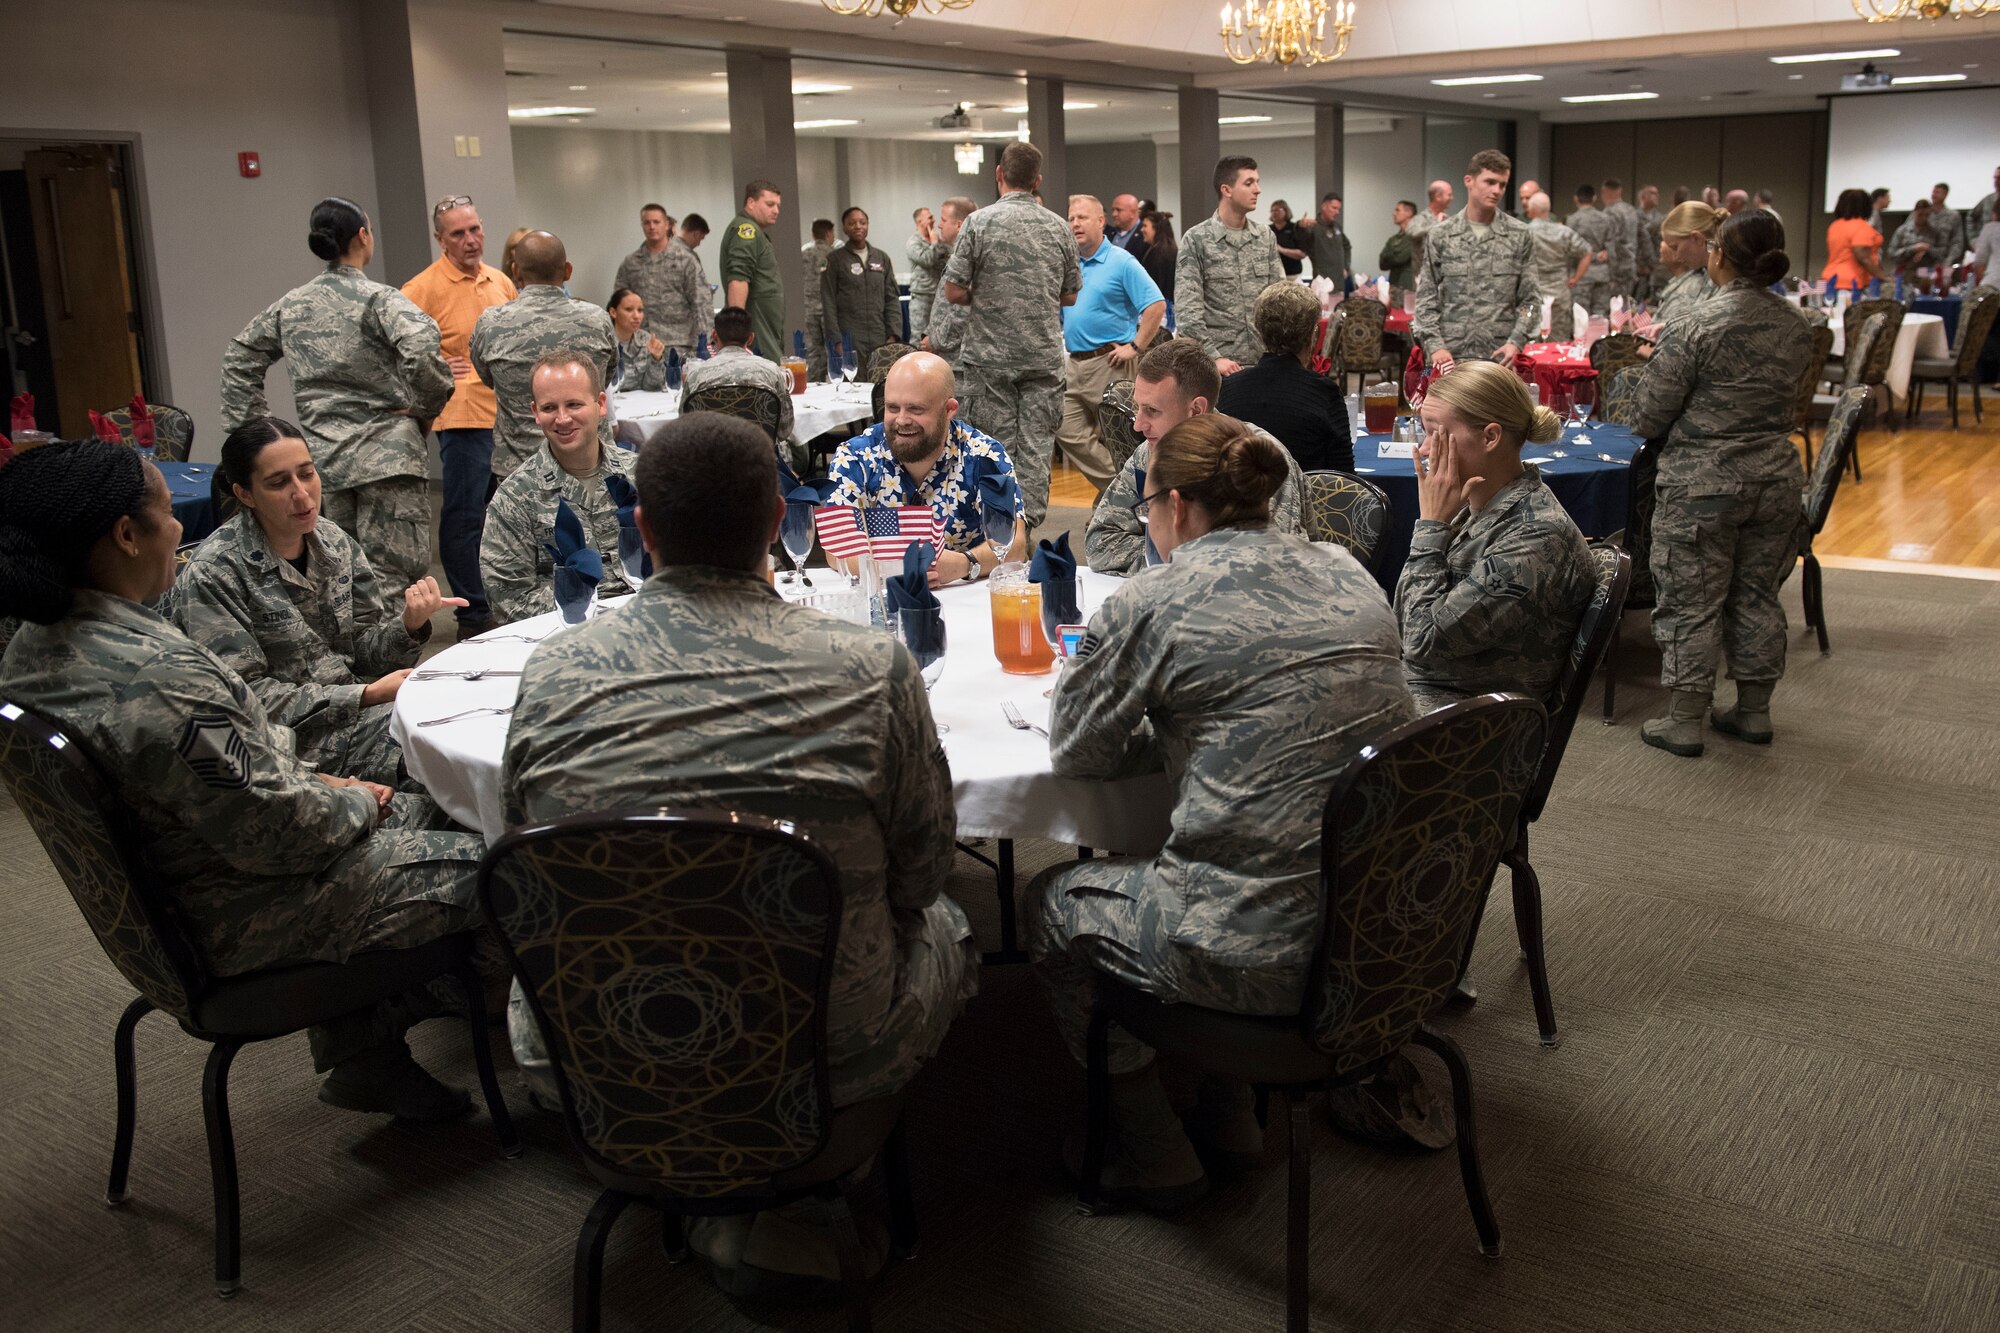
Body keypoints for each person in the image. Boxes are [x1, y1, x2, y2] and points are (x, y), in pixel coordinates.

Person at [501, 411, 977, 1292]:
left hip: (603, 1043)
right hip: (828, 1051)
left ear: (639, 530)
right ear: (775, 525)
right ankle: (804, 1197)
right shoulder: (869, 666)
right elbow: (923, 870)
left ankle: (717, 1193)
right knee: (951, 923)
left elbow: (529, 860)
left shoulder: (553, 671)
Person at [0, 441, 490, 1120]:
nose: (178, 531)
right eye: (169, 513)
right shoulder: (159, 680)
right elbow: (283, 834)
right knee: (507, 857)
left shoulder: (29, 648)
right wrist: (349, 802)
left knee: (431, 806)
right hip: (249, 912)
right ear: (125, 533)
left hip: (168, 910)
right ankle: (559, 1063)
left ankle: (368, 1048)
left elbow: (228, 784)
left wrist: (323, 784)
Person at [1028, 413, 1413, 1211]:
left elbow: (1078, 754)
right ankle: (1230, 1107)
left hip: (1256, 952)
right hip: (1381, 930)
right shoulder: (1346, 568)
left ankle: (1153, 1149)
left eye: (1146, 511)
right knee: (1246, 840)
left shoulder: (1154, 599)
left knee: (1053, 906)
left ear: (1174, 507)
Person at [173, 416, 461, 785]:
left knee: (469, 718)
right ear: (245, 494)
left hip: (355, 715)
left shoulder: (334, 542)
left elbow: (362, 648)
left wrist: (410, 623)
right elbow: (243, 701)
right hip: (289, 745)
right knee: (444, 756)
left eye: (307, 474)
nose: (302, 494)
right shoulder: (216, 572)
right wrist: (365, 695)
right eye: (279, 483)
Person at [1629, 210, 1809, 758]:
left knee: (1691, 599)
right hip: (1776, 478)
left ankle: (1685, 720)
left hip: (1702, 484)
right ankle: (1754, 711)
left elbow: (1648, 415)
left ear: (1719, 257)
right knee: (1757, 595)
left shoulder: (1696, 325)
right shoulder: (1799, 325)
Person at [221, 197, 453, 606]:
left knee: (335, 578)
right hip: (388, 459)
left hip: (323, 463)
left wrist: (256, 436)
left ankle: (358, 667)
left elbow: (240, 356)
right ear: (363, 235)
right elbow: (421, 346)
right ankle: (395, 665)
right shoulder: (378, 299)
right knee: (396, 582)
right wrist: (422, 408)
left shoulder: (292, 305)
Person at [1395, 361, 1594, 713]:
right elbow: (1406, 621)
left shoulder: (1537, 536)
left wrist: (1430, 529)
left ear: (1490, 437)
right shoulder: (1474, 503)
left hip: (1469, 723)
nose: (1425, 450)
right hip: (1424, 687)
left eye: (1434, 433)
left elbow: (1421, 641)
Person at [940, 140, 1082, 533]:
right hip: (1042, 357)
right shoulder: (1058, 226)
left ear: (999, 175)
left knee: (992, 447)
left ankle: (997, 534)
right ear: (1038, 180)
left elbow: (953, 290)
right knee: (1036, 449)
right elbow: (1070, 293)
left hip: (991, 359)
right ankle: (1028, 531)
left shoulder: (978, 223)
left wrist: (989, 293)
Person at [401, 193, 517, 639]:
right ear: (440, 240)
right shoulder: (421, 289)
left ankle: (501, 599)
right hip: (463, 418)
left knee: (503, 515)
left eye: (475, 229)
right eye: (458, 233)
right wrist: (435, 363)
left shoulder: (500, 281)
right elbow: (400, 355)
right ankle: (472, 614)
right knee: (464, 517)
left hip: (504, 415)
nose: (470, 240)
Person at [1086, 339, 1305, 574]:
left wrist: (1176, 562)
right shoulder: (1149, 454)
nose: (1138, 425)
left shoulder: (1258, 458)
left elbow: (1274, 564)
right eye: (1137, 407)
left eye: (1152, 411)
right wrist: (1175, 566)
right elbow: (1100, 543)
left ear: (1196, 410)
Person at [825, 351, 1026, 581]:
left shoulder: (984, 456)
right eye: (892, 408)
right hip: (884, 602)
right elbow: (836, 550)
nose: (901, 420)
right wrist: (900, 568)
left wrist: (964, 564)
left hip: (965, 599)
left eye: (915, 409)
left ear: (949, 409)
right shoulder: (855, 456)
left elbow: (1015, 546)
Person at [479, 351, 640, 625]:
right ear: (535, 414)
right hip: (566, 640)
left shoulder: (643, 475)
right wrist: (598, 610)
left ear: (601, 404)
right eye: (549, 408)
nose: (562, 419)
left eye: (574, 404)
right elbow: (509, 600)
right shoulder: (515, 498)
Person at [469, 230, 618, 482]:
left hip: (520, 471)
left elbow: (488, 378)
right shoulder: (598, 321)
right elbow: (603, 378)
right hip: (591, 466)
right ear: (567, 271)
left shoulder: (491, 324)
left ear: (515, 271)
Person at [1058, 194, 1167, 493]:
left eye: (1083, 217)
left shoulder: (1121, 261)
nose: (1076, 224)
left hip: (1111, 362)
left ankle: (1125, 497)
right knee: (1063, 426)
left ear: (1101, 221)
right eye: (1071, 218)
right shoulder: (1071, 264)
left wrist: (1135, 346)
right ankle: (1126, 491)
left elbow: (1155, 305)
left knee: (1122, 439)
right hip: (1074, 363)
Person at [1413, 151, 1539, 373]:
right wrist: (1435, 346)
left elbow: (1530, 301)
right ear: (1468, 181)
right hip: (1451, 355)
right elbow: (1426, 297)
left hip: (1500, 356)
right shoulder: (1441, 234)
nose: (1496, 191)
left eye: (1502, 184)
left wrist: (1516, 341)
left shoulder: (1519, 234)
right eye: (1490, 182)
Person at [1216, 281, 1353, 472]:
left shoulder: (1227, 389)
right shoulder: (1323, 392)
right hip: (1306, 500)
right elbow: (1343, 476)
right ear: (1312, 335)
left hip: (1240, 499)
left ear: (1260, 331)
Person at [1176, 157, 1284, 378]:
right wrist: (1213, 358)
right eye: (1249, 183)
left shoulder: (1264, 237)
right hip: (1219, 368)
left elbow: (1280, 300)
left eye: (1258, 182)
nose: (1258, 189)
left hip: (1264, 361)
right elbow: (1188, 312)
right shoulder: (1197, 239)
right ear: (1226, 189)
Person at [680, 304, 797, 446]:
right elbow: (785, 430)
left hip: (709, 463)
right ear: (750, 338)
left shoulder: (695, 375)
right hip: (761, 461)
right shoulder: (772, 371)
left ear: (714, 336)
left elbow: (684, 428)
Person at [611, 203, 708, 365]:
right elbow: (619, 304)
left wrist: (704, 344)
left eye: (656, 222)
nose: (652, 227)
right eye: (647, 223)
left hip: (680, 344)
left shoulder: (685, 260)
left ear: (666, 224)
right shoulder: (631, 264)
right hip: (641, 346)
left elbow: (701, 303)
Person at [821, 206, 902, 372]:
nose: (858, 226)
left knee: (881, 384)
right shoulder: (834, 260)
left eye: (862, 222)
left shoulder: (881, 258)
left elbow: (892, 298)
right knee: (852, 387)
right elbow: (828, 301)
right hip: (849, 336)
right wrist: (836, 340)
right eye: (852, 223)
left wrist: (893, 334)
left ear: (868, 225)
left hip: (879, 334)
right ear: (844, 228)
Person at [722, 179, 787, 364]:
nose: (776, 210)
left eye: (778, 205)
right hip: (757, 327)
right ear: (751, 203)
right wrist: (736, 331)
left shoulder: (756, 232)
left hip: (765, 325)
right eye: (770, 204)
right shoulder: (746, 230)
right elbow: (738, 279)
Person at [1525, 192, 1592, 341]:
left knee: (1531, 342)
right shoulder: (1563, 232)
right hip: (1559, 293)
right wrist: (1576, 278)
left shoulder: (1524, 232)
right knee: (1559, 340)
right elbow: (1587, 252)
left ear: (1532, 210)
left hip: (1533, 293)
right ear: (1547, 210)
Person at [1650, 202, 1724, 336]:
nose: (1676, 256)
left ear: (1697, 238)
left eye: (1675, 247)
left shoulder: (1726, 271)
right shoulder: (1710, 268)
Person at [919, 198, 975, 361]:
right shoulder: (957, 254)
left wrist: (936, 340)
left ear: (959, 225)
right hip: (946, 354)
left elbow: (963, 310)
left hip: (958, 359)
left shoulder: (970, 257)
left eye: (944, 220)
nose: (939, 225)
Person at [1823, 188, 1887, 295]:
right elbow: (1864, 258)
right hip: (1853, 284)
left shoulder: (1834, 226)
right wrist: (1884, 277)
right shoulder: (1862, 227)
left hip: (1830, 280)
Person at [1566, 184, 1616, 320]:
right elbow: (1611, 249)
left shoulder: (1572, 220)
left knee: (1580, 316)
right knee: (1601, 316)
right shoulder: (1605, 218)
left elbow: (1570, 250)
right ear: (1594, 198)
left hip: (1581, 274)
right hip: (1602, 273)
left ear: (1576, 198)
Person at [606, 288, 667, 392]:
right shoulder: (603, 341)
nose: (636, 316)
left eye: (640, 310)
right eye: (629, 309)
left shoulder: (646, 339)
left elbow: (653, 386)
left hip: (640, 402)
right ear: (613, 312)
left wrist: (656, 358)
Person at [906, 206, 950, 342]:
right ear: (919, 221)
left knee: (939, 335)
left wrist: (936, 242)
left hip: (940, 295)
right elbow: (927, 260)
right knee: (919, 336)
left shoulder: (938, 240)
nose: (934, 219)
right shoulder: (913, 242)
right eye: (929, 217)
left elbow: (948, 260)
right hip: (922, 296)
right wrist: (935, 243)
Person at [801, 218, 837, 378]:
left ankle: (815, 385)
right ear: (829, 233)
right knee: (835, 351)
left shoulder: (802, 255)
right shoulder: (835, 256)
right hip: (830, 312)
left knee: (813, 353)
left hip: (808, 310)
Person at [1301, 192, 1353, 288]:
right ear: (1324, 206)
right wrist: (1300, 227)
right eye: (1334, 208)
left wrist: (1346, 267)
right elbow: (1301, 241)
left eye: (1338, 209)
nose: (1337, 212)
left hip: (1339, 282)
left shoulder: (1337, 227)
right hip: (1322, 283)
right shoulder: (1313, 227)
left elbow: (1347, 246)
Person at [1602, 178, 1641, 302]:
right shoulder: (1631, 210)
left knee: (1614, 307)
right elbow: (1642, 235)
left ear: (1604, 192)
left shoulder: (1609, 212)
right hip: (1631, 263)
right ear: (1620, 191)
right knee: (1626, 306)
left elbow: (1610, 242)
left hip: (1617, 267)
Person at [1405, 179, 1454, 273]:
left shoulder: (1448, 220)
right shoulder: (1421, 219)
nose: (1452, 198)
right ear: (1438, 196)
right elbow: (1411, 233)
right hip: (1424, 278)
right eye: (1449, 195)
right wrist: (1437, 225)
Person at [1887, 200, 1943, 278]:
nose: (1924, 218)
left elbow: (1941, 254)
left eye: (1927, 215)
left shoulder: (1934, 232)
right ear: (1914, 212)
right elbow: (1892, 254)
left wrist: (1927, 249)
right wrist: (1914, 248)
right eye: (1920, 215)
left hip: (1926, 276)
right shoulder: (1902, 231)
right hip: (1905, 274)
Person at [1378, 200, 1417, 297]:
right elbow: (1382, 264)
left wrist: (1389, 254)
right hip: (1394, 289)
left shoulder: (1416, 235)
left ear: (1409, 213)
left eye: (1397, 210)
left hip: (1409, 289)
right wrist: (1395, 253)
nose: (1394, 213)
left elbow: (1400, 258)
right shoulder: (1393, 239)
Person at [1139, 210, 1178, 302]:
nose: (1142, 229)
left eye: (1145, 226)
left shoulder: (1157, 254)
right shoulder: (1171, 250)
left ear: (1156, 228)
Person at [1927, 181, 1968, 266]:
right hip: (1924, 263)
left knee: (1942, 279)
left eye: (1937, 192)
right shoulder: (1923, 213)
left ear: (1945, 195)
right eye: (1933, 192)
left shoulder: (1953, 216)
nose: (1934, 195)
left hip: (1944, 261)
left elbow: (1957, 242)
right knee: (1923, 279)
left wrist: (1949, 261)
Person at [1636, 184, 1664, 299]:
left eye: (1657, 193)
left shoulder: (1660, 218)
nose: (1656, 196)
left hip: (1656, 270)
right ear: (1643, 196)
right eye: (1652, 193)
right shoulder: (1634, 216)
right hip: (1638, 271)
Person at [1268, 199, 1306, 277]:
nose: (1274, 213)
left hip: (1292, 274)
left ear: (1286, 211)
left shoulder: (1295, 228)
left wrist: (1281, 250)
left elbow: (1302, 254)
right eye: (1272, 211)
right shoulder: (1267, 229)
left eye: (1277, 210)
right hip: (1273, 275)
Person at [1107, 192, 1148, 260]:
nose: (1114, 214)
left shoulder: (1145, 235)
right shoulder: (1109, 234)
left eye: (1118, 210)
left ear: (1132, 213)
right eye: (1113, 210)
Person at [1970, 164, 2000, 236]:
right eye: (1995, 178)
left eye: (1999, 178)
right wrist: (1974, 240)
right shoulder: (1987, 200)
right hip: (1986, 244)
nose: (1996, 181)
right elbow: (1971, 217)